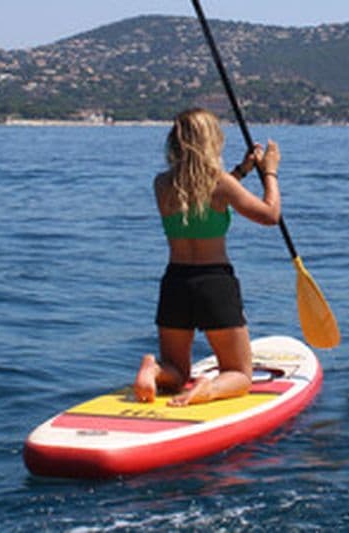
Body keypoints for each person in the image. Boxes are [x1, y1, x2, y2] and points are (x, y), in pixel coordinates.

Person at [134, 107, 282, 407]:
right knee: (239, 373)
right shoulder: (220, 184)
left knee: (177, 371)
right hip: (214, 283)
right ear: (211, 141)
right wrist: (269, 172)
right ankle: (208, 388)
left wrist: (241, 171)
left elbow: (200, 190)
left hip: (175, 282)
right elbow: (270, 215)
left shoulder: (162, 184)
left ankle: (155, 369)